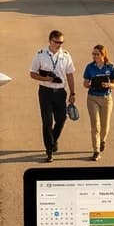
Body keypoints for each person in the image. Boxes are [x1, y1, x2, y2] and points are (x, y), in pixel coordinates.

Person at [29, 30, 75, 162]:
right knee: (47, 121)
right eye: (57, 42)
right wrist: (46, 78)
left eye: (61, 42)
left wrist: (72, 93)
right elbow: (32, 73)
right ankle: (49, 150)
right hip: (45, 91)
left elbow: (70, 75)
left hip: (60, 92)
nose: (59, 45)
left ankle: (53, 139)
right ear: (50, 41)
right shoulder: (40, 55)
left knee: (61, 119)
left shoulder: (65, 55)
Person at [82, 44, 114, 161]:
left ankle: (102, 140)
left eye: (97, 54)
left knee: (104, 125)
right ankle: (96, 150)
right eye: (93, 54)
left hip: (106, 98)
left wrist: (109, 85)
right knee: (95, 125)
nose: (94, 56)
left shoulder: (111, 67)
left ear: (103, 55)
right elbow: (85, 83)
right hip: (92, 98)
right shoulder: (89, 67)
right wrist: (90, 84)